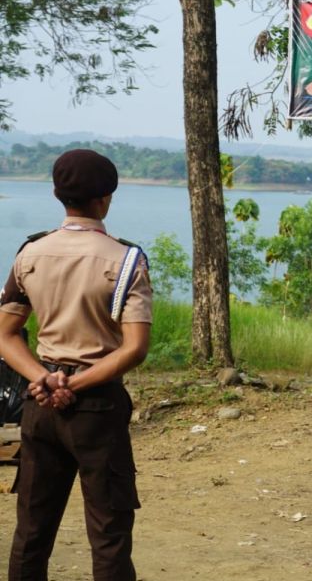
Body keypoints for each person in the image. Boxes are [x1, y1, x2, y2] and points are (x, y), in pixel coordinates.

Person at [0, 149, 152, 581]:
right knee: (109, 534)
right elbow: (134, 348)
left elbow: (5, 333)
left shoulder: (30, 253)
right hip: (98, 408)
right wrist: (79, 383)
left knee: (31, 530)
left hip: (40, 403)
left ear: (56, 194)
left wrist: (43, 379)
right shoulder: (125, 262)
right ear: (106, 198)